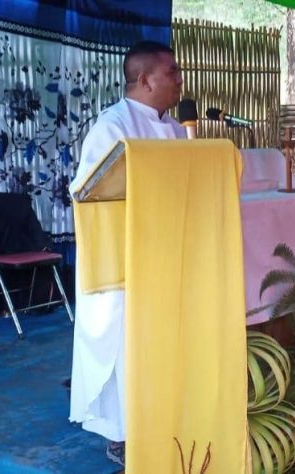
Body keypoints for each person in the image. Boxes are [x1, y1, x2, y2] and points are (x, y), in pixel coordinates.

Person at [69, 40, 185, 467]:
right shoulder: (111, 127)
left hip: (167, 253)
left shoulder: (174, 129)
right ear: (144, 79)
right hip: (124, 259)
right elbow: (87, 192)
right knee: (126, 342)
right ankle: (122, 433)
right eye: (171, 71)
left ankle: (162, 416)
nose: (179, 78)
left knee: (161, 340)